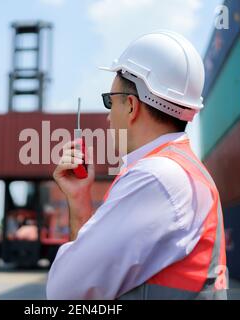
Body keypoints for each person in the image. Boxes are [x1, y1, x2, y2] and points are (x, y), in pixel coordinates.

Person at [46, 31, 227, 300]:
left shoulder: (157, 178)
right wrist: (80, 200)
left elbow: (65, 293)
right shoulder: (182, 169)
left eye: (110, 101)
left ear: (131, 106)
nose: (108, 116)